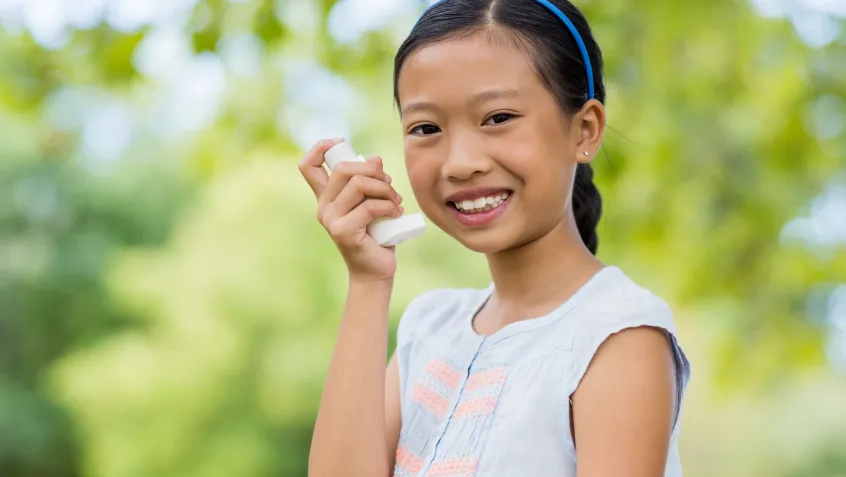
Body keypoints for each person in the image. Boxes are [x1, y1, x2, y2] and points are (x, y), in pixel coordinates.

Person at [298, 0, 691, 476]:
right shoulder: (429, 327)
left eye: (498, 118)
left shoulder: (616, 336)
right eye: (426, 128)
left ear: (584, 129)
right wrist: (367, 280)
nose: (461, 162)